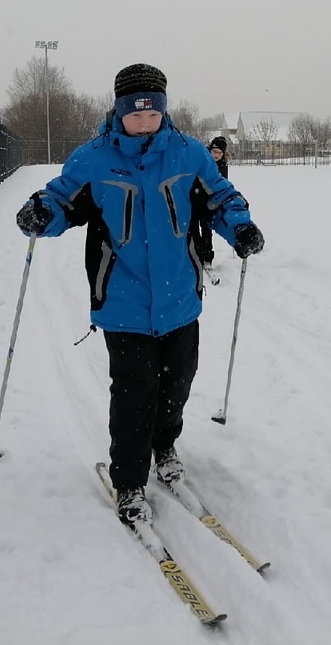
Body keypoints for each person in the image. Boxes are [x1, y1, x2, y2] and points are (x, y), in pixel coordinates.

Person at [14, 64, 265, 525]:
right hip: (123, 301)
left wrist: (241, 227)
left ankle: (164, 446)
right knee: (134, 393)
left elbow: (221, 199)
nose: (145, 123)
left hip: (180, 299)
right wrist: (41, 213)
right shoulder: (93, 159)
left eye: (153, 113)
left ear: (164, 110)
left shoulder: (189, 154)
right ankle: (129, 480)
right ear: (119, 111)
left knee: (177, 384)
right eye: (136, 114)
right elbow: (62, 199)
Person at [192, 136, 230, 267]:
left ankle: (207, 258)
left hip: (210, 203)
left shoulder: (223, 165)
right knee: (193, 230)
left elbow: (222, 183)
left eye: (220, 153)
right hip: (194, 199)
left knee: (207, 231)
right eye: (214, 151)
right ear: (210, 150)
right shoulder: (202, 160)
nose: (216, 155)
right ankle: (196, 256)